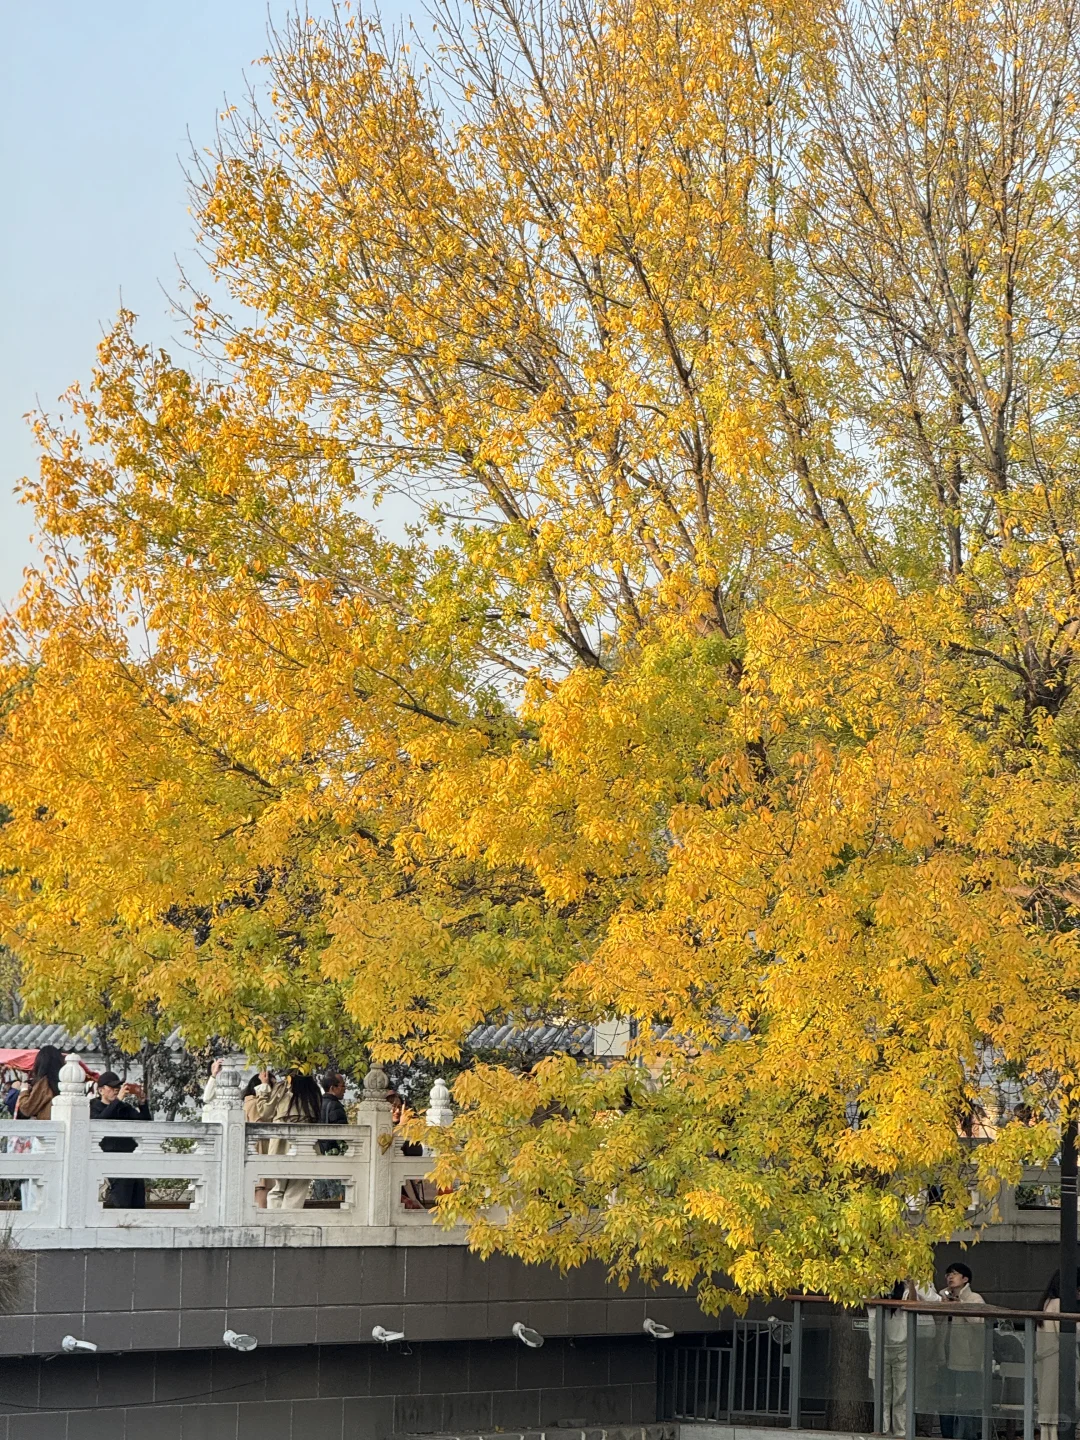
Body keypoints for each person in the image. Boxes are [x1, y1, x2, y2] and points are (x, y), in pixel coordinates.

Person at [869, 1280, 941, 1436]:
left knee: (902, 1393)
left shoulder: (906, 1289)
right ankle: (882, 1430)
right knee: (882, 1393)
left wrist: (913, 1283)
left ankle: (902, 1432)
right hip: (878, 1345)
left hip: (903, 1345)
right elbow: (866, 1298)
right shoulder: (873, 1286)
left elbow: (913, 1304)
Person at [936, 1263, 987, 1440]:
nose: (950, 1277)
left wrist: (960, 1306)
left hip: (967, 1359)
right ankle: (947, 1435)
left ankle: (966, 1436)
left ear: (965, 1279)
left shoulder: (975, 1299)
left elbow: (980, 1323)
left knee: (966, 1402)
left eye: (955, 1274)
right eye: (948, 1274)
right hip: (943, 1356)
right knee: (944, 1401)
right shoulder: (941, 1296)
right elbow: (935, 1322)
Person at [90, 1072, 151, 1209]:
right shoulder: (93, 1106)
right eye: (111, 1088)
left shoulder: (124, 1108)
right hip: (110, 1159)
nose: (116, 1090)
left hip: (130, 1158)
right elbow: (100, 1122)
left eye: (118, 1087)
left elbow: (145, 1123)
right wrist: (118, 1100)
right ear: (101, 1090)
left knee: (138, 1202)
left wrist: (142, 1103)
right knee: (122, 1201)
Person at [265, 1071, 321, 1210]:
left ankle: (275, 1223)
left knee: (278, 1188)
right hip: (307, 1143)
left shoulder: (282, 1088)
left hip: (280, 1142)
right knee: (297, 1190)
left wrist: (264, 1087)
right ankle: (289, 1223)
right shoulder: (313, 1091)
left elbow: (264, 1113)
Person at [1036, 1268, 1080, 1440]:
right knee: (1059, 1411)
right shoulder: (1060, 1304)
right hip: (1059, 1363)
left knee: (1049, 1413)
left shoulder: (1046, 1303)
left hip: (1048, 1362)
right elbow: (1074, 1332)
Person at [242, 1070, 275, 1208]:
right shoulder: (255, 1103)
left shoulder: (248, 1102)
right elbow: (262, 1120)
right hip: (260, 1148)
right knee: (262, 1186)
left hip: (258, 1148)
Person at [14, 1046, 63, 1121]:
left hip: (48, 1127)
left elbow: (27, 1109)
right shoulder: (63, 1082)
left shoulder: (44, 1083)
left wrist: (24, 1090)